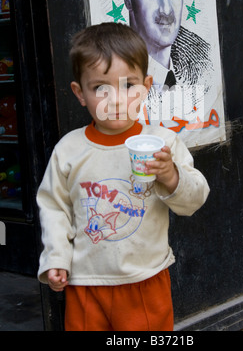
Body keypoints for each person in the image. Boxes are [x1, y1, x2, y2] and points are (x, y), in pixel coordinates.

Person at [36, 22, 210, 331]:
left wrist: (171, 177)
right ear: (80, 93)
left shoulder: (163, 143)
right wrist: (56, 257)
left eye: (128, 86)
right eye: (101, 88)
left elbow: (195, 199)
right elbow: (54, 209)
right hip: (86, 282)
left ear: (146, 87)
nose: (115, 100)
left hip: (145, 279)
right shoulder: (70, 150)